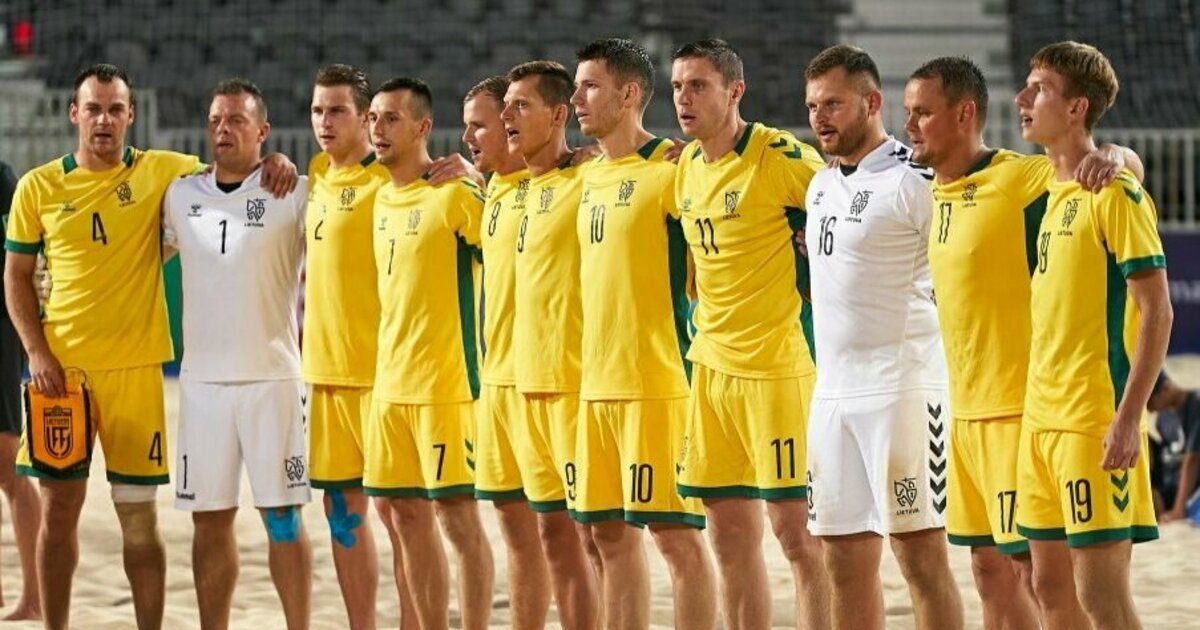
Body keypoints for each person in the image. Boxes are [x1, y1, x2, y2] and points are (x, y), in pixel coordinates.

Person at [2, 63, 294, 630]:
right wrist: (36, 352)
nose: (104, 119)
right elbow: (14, 276)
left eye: (115, 109)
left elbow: (230, 168)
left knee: (139, 521)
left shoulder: (165, 172)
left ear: (131, 115)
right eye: (94, 108)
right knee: (58, 513)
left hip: (137, 376)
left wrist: (273, 159)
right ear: (74, 114)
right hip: (62, 376)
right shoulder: (38, 186)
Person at [904, 55, 1142, 629]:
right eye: (907, 113)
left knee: (1041, 580)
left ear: (964, 115)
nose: (909, 125)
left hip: (1020, 412)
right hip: (963, 417)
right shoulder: (925, 187)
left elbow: (1103, 165)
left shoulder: (1016, 176)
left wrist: (1113, 156)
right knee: (989, 574)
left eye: (922, 113)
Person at [669, 39, 831, 630]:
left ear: (735, 91)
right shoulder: (684, 165)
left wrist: (1122, 157)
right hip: (710, 372)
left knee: (799, 541)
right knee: (729, 539)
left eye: (699, 85)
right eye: (679, 86)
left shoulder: (777, 156)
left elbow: (845, 193)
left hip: (777, 372)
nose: (685, 98)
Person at [802, 45, 963, 630]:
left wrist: (1121, 155)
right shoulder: (818, 184)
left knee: (920, 557)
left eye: (834, 104)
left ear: (872, 103)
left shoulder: (918, 179)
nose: (821, 117)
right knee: (841, 561)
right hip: (832, 396)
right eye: (814, 105)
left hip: (904, 392)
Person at [1016, 41, 1172, 630]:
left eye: (1040, 89)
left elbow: (1158, 312)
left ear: (1077, 107)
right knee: (1048, 588)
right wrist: (1119, 152)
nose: (1023, 99)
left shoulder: (1114, 192)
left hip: (1091, 419)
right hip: (1039, 421)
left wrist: (1130, 417)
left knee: (1101, 597)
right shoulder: (1050, 192)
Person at [569, 37, 717, 630]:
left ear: (629, 94)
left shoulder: (673, 170)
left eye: (590, 86)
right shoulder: (588, 175)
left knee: (676, 539)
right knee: (604, 535)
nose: (577, 98)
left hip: (656, 383)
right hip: (594, 385)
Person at [162, 78, 312, 630]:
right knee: (209, 519)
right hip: (200, 387)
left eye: (237, 121)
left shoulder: (291, 192)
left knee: (282, 519)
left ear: (263, 131)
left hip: (272, 379)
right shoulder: (180, 196)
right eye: (216, 121)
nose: (223, 130)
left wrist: (285, 162)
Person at [363, 77, 495, 630]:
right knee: (402, 515)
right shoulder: (379, 199)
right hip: (390, 388)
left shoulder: (455, 194)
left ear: (422, 127)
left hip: (446, 388)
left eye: (391, 118)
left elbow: (511, 248)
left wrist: (482, 181)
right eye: (372, 117)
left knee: (458, 520)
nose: (377, 127)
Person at [465, 74, 571, 630]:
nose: (473, 136)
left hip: (551, 382)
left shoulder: (568, 181)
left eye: (481, 123)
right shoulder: (489, 194)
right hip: (497, 383)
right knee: (515, 529)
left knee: (568, 535)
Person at [502, 59, 604, 628]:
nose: (508, 117)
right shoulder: (512, 189)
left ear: (560, 114)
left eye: (522, 106)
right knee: (550, 534)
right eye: (507, 106)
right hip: (527, 387)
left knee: (594, 539)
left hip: (575, 386)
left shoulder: (588, 176)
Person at [0, 158, 41, 622]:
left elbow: (26, 258)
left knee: (9, 462)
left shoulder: (3, 178)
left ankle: (33, 596)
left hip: (0, 327)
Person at [1147, 372, 1200, 521]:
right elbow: (1161, 459)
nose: (1151, 410)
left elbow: (1192, 459)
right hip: (1169, 490)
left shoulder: (1195, 404)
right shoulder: (1162, 419)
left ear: (1165, 388)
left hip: (1190, 494)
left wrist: (1178, 509)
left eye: (1151, 404)